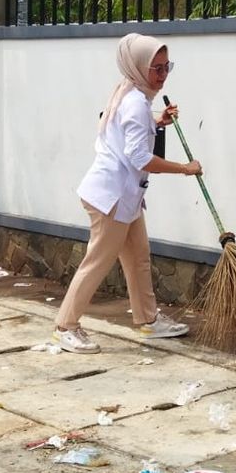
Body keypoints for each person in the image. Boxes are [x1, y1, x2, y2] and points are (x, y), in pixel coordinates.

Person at [52, 33, 202, 354]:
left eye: (166, 67)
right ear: (137, 67)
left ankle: (148, 320)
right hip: (112, 198)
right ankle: (66, 326)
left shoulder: (133, 93)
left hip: (126, 197)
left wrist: (158, 121)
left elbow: (129, 132)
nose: (162, 76)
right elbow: (140, 158)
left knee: (138, 258)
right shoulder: (134, 102)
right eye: (156, 68)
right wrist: (184, 168)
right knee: (97, 262)